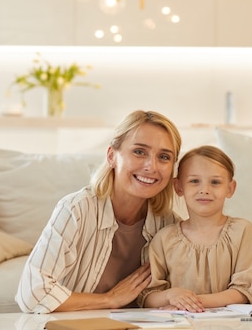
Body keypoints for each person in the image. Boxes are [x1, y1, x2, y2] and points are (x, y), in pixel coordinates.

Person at [15, 110, 182, 313]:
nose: (151, 166)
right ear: (112, 156)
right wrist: (109, 299)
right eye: (139, 152)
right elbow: (32, 293)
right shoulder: (76, 210)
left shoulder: (170, 224)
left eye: (164, 157)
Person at [138, 145, 252, 312]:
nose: (205, 190)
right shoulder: (164, 239)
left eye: (215, 182)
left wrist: (188, 302)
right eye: (194, 181)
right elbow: (147, 296)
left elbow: (243, 291)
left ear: (230, 189)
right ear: (178, 187)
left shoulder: (242, 231)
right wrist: (171, 295)